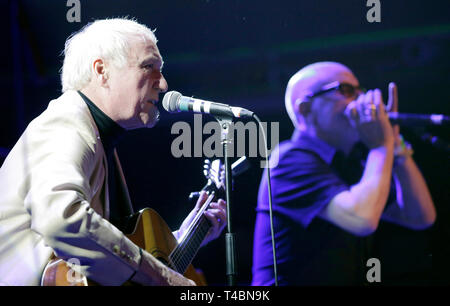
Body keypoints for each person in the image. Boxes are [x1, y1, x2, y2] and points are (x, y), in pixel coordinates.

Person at [0, 18, 227, 286]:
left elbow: (103, 253)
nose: (163, 84)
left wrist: (179, 239)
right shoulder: (66, 124)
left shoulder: (98, 136)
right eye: (148, 67)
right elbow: (60, 219)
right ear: (101, 70)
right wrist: (163, 276)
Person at [252, 61, 436, 285]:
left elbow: (420, 217)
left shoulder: (347, 163)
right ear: (306, 108)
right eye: (346, 90)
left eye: (360, 91)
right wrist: (381, 145)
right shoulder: (288, 161)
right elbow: (362, 220)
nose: (359, 101)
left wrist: (394, 143)